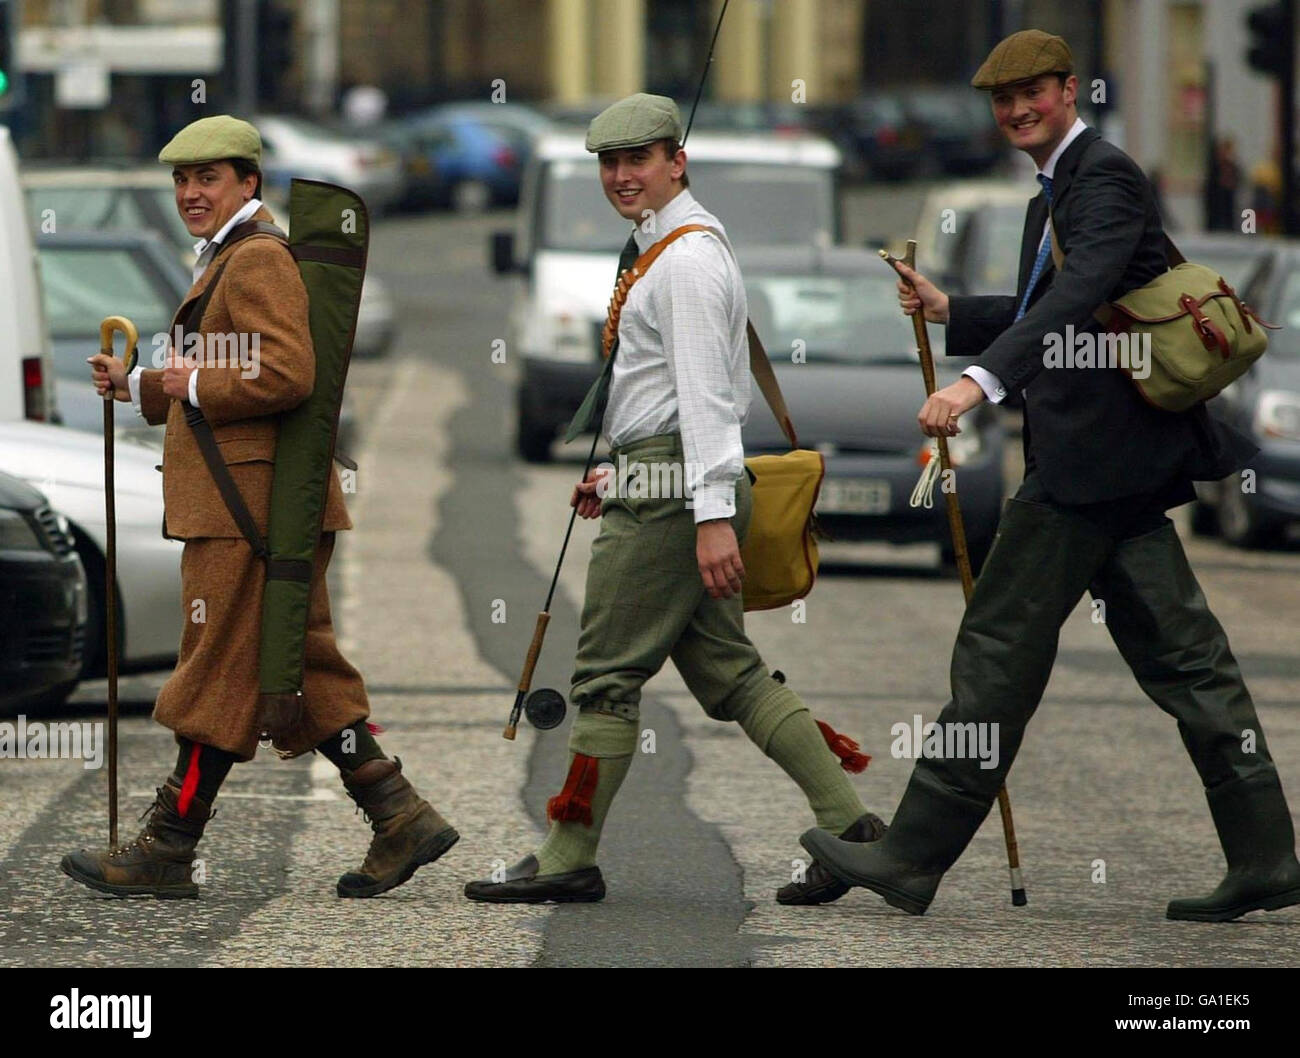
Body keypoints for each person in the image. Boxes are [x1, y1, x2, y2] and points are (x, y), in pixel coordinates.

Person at [802, 31, 1300, 921]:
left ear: (1070, 90)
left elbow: (1081, 295)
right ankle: (1266, 854)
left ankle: (913, 855)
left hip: (1087, 468)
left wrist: (977, 380)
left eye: (1032, 93)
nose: (1016, 111)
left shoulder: (1101, 176)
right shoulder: (1058, 188)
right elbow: (1060, 305)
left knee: (997, 654)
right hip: (1118, 469)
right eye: (1002, 101)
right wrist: (959, 312)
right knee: (1192, 665)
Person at [465, 93, 882, 905]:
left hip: (674, 497)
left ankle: (568, 854)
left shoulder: (684, 261)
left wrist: (711, 516)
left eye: (639, 160)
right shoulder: (673, 246)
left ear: (675, 162)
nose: (621, 176)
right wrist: (623, 471)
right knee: (732, 679)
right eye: (609, 164)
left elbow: (706, 400)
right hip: (660, 478)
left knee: (606, 680)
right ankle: (853, 828)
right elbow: (673, 394)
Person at [64, 115, 458, 899]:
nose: (190, 193)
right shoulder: (227, 257)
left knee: (216, 674)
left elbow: (287, 373)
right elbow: (216, 367)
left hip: (246, 513)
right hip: (260, 507)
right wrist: (140, 385)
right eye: (181, 180)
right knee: (299, 669)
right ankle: (398, 813)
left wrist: (188, 384)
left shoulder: (256, 259)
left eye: (207, 178)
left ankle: (169, 846)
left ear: (249, 182)